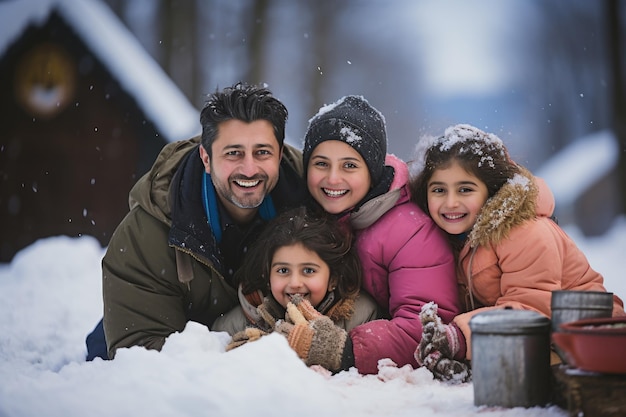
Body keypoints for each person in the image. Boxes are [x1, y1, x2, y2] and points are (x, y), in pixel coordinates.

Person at [86, 82, 306, 360]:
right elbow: (139, 356)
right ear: (206, 157)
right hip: (169, 330)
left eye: (262, 152)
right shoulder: (147, 232)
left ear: (280, 154)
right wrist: (246, 355)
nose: (249, 168)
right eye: (233, 153)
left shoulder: (312, 201)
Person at [409, 123, 626, 382]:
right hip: (532, 335)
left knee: (514, 373)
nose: (451, 202)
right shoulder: (452, 238)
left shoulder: (526, 231)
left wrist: (460, 336)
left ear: (492, 190)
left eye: (465, 189)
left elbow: (531, 307)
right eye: (439, 190)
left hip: (592, 334)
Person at [275, 95, 460, 375]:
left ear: (372, 173)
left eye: (349, 165)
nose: (333, 178)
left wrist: (346, 350)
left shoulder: (411, 231)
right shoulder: (313, 217)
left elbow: (427, 329)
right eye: (321, 164)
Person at [214, 206, 380, 372]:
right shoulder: (235, 324)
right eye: (283, 271)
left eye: (308, 271)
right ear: (267, 276)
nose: (294, 283)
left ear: (333, 279)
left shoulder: (361, 317)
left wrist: (333, 350)